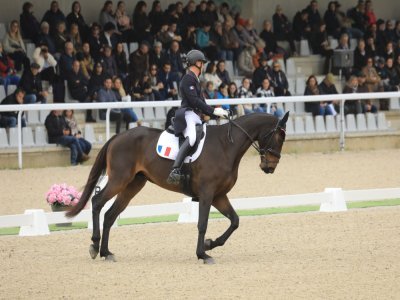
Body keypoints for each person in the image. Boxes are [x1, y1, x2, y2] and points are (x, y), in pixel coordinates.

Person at [166, 50, 229, 185]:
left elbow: (202, 103)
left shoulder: (195, 79)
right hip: (188, 114)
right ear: (197, 63)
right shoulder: (188, 78)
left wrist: (215, 113)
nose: (204, 65)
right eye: (202, 62)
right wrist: (213, 111)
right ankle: (175, 170)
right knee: (192, 137)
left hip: (195, 115)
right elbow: (195, 101)